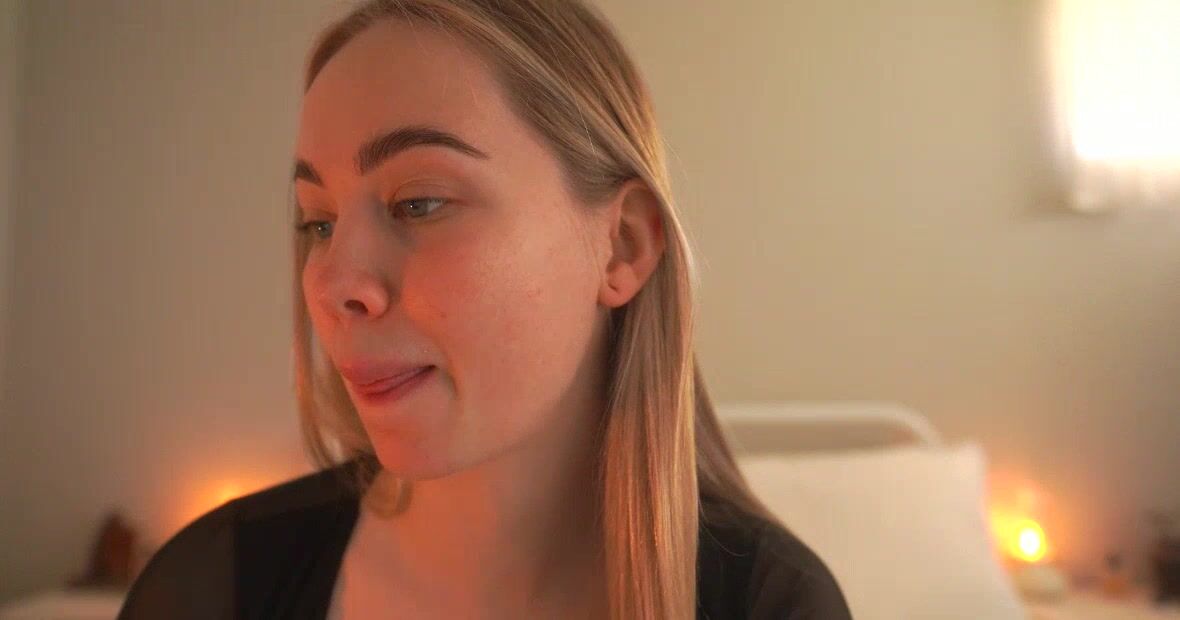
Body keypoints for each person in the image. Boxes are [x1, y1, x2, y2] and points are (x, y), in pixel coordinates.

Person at [118, 0, 852, 618]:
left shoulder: (774, 605)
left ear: (621, 247)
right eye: (319, 222)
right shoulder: (209, 589)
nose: (335, 282)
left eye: (419, 202)